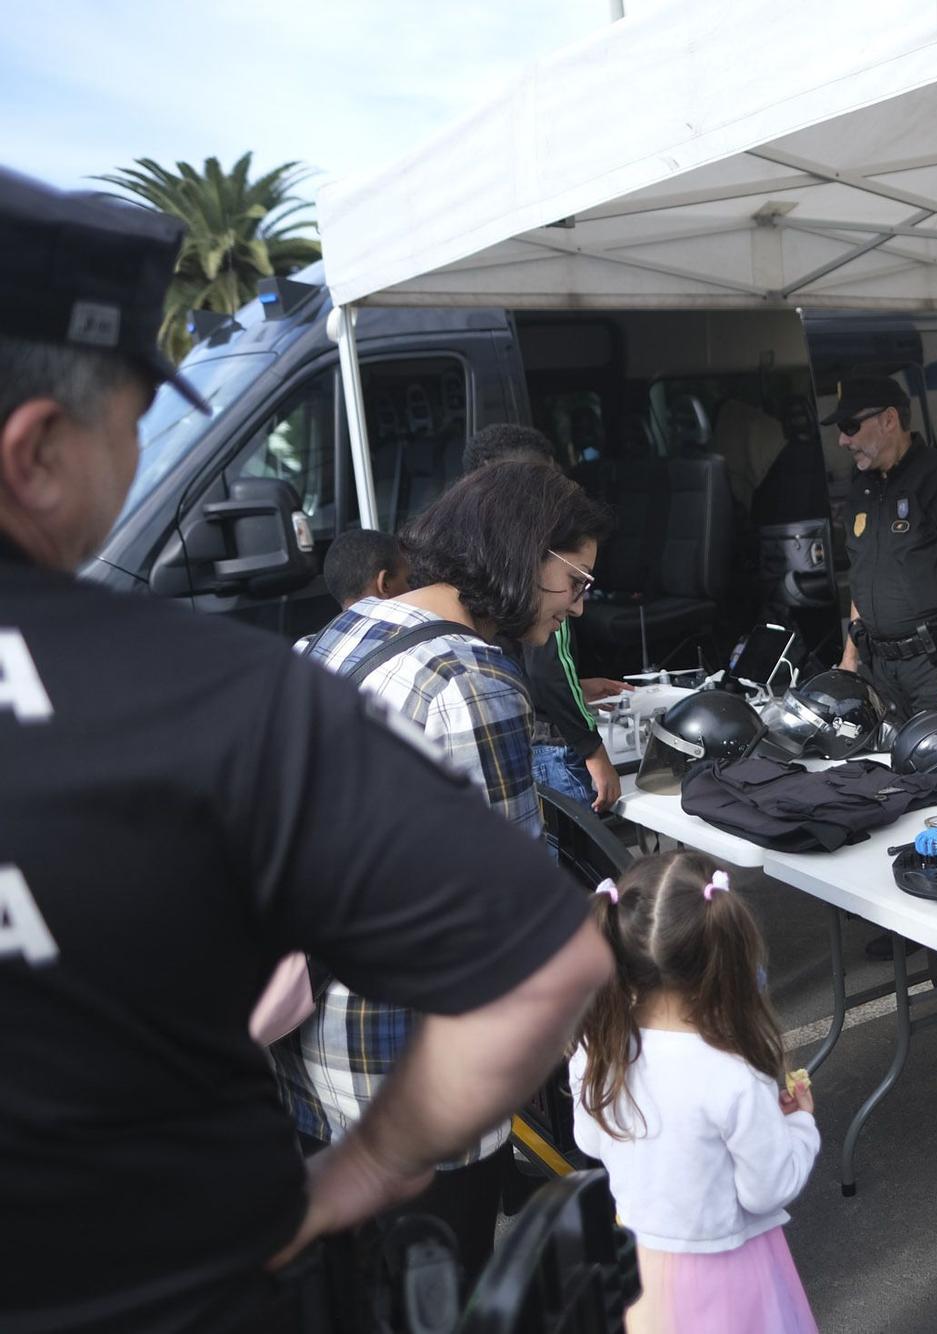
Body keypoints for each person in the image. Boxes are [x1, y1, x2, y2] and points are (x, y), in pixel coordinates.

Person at [0, 166, 611, 1333]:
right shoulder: (208, 690)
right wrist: (374, 1164)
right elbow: (541, 962)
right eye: (132, 426)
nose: (136, 459)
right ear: (35, 452)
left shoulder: (332, 640)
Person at [272, 457, 615, 1282]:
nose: (577, 604)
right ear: (524, 554)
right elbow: (501, 926)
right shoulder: (472, 683)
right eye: (577, 579)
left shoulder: (343, 633)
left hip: (306, 1049)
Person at [571, 852, 821, 1334]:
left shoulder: (595, 1050)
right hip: (733, 1276)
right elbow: (766, 1189)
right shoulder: (733, 1071)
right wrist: (799, 1124)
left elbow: (591, 1141)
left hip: (640, 1268)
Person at [462, 422, 632, 812]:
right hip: (548, 748)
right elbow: (548, 668)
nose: (577, 605)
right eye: (576, 582)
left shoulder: (478, 563)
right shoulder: (537, 577)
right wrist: (593, 750)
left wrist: (577, 686)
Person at [830, 376, 937, 720]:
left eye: (850, 426)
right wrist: (850, 659)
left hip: (934, 668)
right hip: (878, 668)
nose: (843, 440)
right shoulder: (861, 486)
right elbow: (863, 577)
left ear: (889, 419)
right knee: (881, 770)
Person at [322, 526, 410, 608]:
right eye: (408, 580)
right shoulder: (414, 622)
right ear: (384, 584)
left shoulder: (335, 624)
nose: (413, 588)